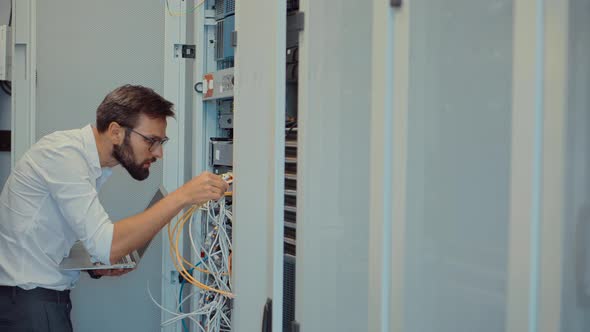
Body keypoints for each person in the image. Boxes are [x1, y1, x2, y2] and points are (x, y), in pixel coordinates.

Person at [0, 85, 229, 331]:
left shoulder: (84, 160)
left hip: (32, 300)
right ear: (116, 132)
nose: (159, 152)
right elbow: (108, 247)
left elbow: (45, 232)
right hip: (29, 305)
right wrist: (182, 197)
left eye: (162, 142)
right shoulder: (64, 157)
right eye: (151, 141)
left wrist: (94, 267)